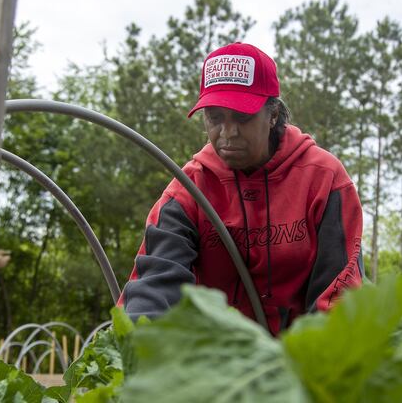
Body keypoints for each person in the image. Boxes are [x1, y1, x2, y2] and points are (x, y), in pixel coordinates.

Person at [119, 42, 364, 335]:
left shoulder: (324, 180)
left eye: (243, 118)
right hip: (216, 361)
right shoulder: (188, 191)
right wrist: (141, 346)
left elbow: (338, 294)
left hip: (301, 360)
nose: (228, 133)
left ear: (273, 114)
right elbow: (155, 284)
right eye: (215, 118)